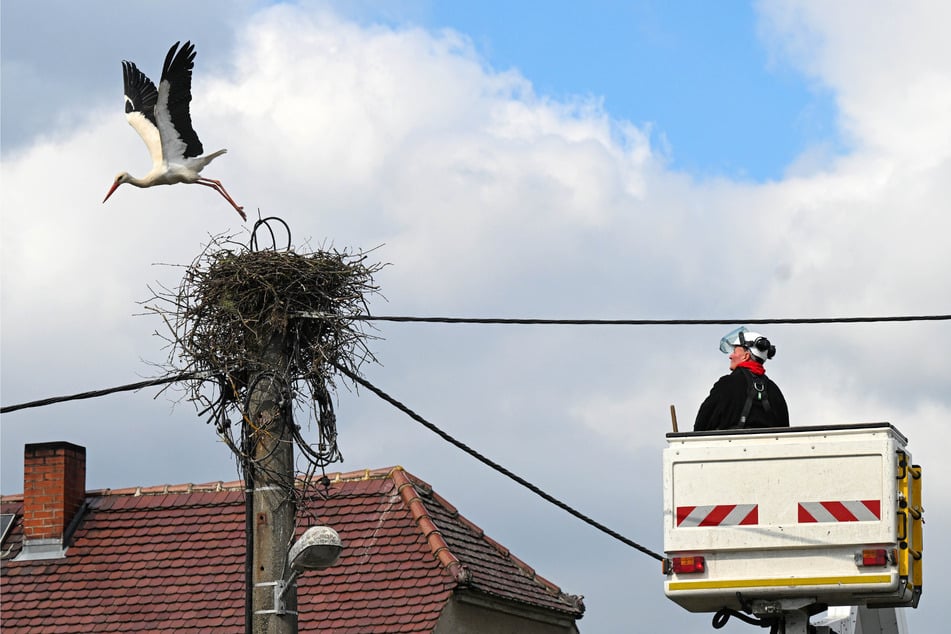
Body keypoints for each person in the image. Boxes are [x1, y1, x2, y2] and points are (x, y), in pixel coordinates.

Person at [694, 326, 789, 431]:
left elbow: (702, 425)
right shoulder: (775, 391)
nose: (730, 356)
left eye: (734, 351)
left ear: (746, 356)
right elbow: (785, 433)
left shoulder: (726, 385)